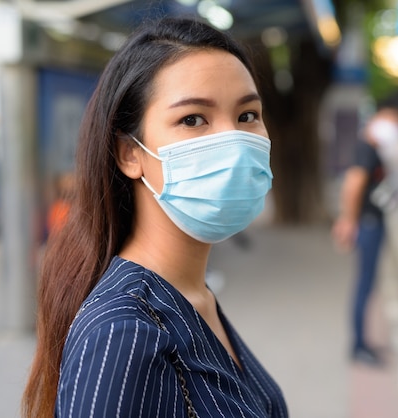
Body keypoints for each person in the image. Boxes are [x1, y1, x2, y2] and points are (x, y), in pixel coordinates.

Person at [22, 17, 287, 418]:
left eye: (247, 115)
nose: (232, 142)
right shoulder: (124, 333)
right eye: (193, 119)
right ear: (130, 153)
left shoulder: (192, 296)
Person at [331, 105, 398, 366]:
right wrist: (348, 221)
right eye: (392, 122)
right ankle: (359, 345)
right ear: (378, 121)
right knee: (364, 285)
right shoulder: (366, 149)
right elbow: (353, 185)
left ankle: (363, 340)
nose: (395, 129)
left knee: (368, 284)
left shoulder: (373, 150)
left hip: (374, 222)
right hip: (368, 224)